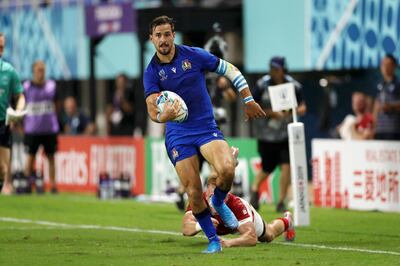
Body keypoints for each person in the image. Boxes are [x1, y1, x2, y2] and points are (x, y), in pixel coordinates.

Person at [143, 15, 266, 253]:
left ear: (173, 35)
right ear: (151, 39)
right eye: (158, 36)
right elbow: (151, 106)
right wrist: (162, 116)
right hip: (178, 134)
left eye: (167, 34)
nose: (163, 40)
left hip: (205, 127)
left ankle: (219, 200)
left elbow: (230, 69)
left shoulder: (194, 55)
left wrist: (248, 99)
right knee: (193, 190)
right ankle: (213, 240)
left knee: (228, 169)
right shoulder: (151, 72)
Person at [250, 56, 306, 213]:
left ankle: (281, 201)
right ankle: (254, 189)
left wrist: (290, 110)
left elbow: (303, 107)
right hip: (265, 134)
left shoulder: (294, 86)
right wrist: (270, 113)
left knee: (286, 166)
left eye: (276, 68)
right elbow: (251, 105)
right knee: (267, 168)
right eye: (271, 68)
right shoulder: (262, 85)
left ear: (283, 69)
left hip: (285, 134)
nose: (273, 71)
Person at [182, 176, 295, 247]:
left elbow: (251, 237)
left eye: (220, 193)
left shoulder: (237, 205)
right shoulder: (198, 202)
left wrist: (229, 243)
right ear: (206, 192)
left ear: (226, 193)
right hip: (222, 226)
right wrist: (200, 225)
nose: (214, 199)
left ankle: (287, 221)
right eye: (212, 194)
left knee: (269, 235)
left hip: (239, 224)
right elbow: (186, 228)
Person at [23, 60, 59, 193]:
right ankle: (27, 183)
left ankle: (53, 185)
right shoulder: (26, 87)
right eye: (38, 70)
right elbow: (20, 105)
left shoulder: (52, 86)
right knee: (30, 157)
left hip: (49, 129)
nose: (40, 73)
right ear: (33, 72)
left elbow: (57, 104)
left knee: (51, 157)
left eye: (42, 70)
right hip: (32, 129)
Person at [0, 33, 26, 195]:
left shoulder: (9, 72)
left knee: (3, 169)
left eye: (2, 47)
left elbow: (20, 96)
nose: (0, 50)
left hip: (3, 124)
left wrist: (18, 111)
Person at [373, 54, 400, 140]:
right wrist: (373, 126)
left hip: (394, 130)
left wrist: (390, 107)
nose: (385, 67)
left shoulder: (397, 84)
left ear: (394, 66)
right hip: (380, 130)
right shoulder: (379, 85)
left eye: (388, 64)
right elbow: (376, 106)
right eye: (383, 64)